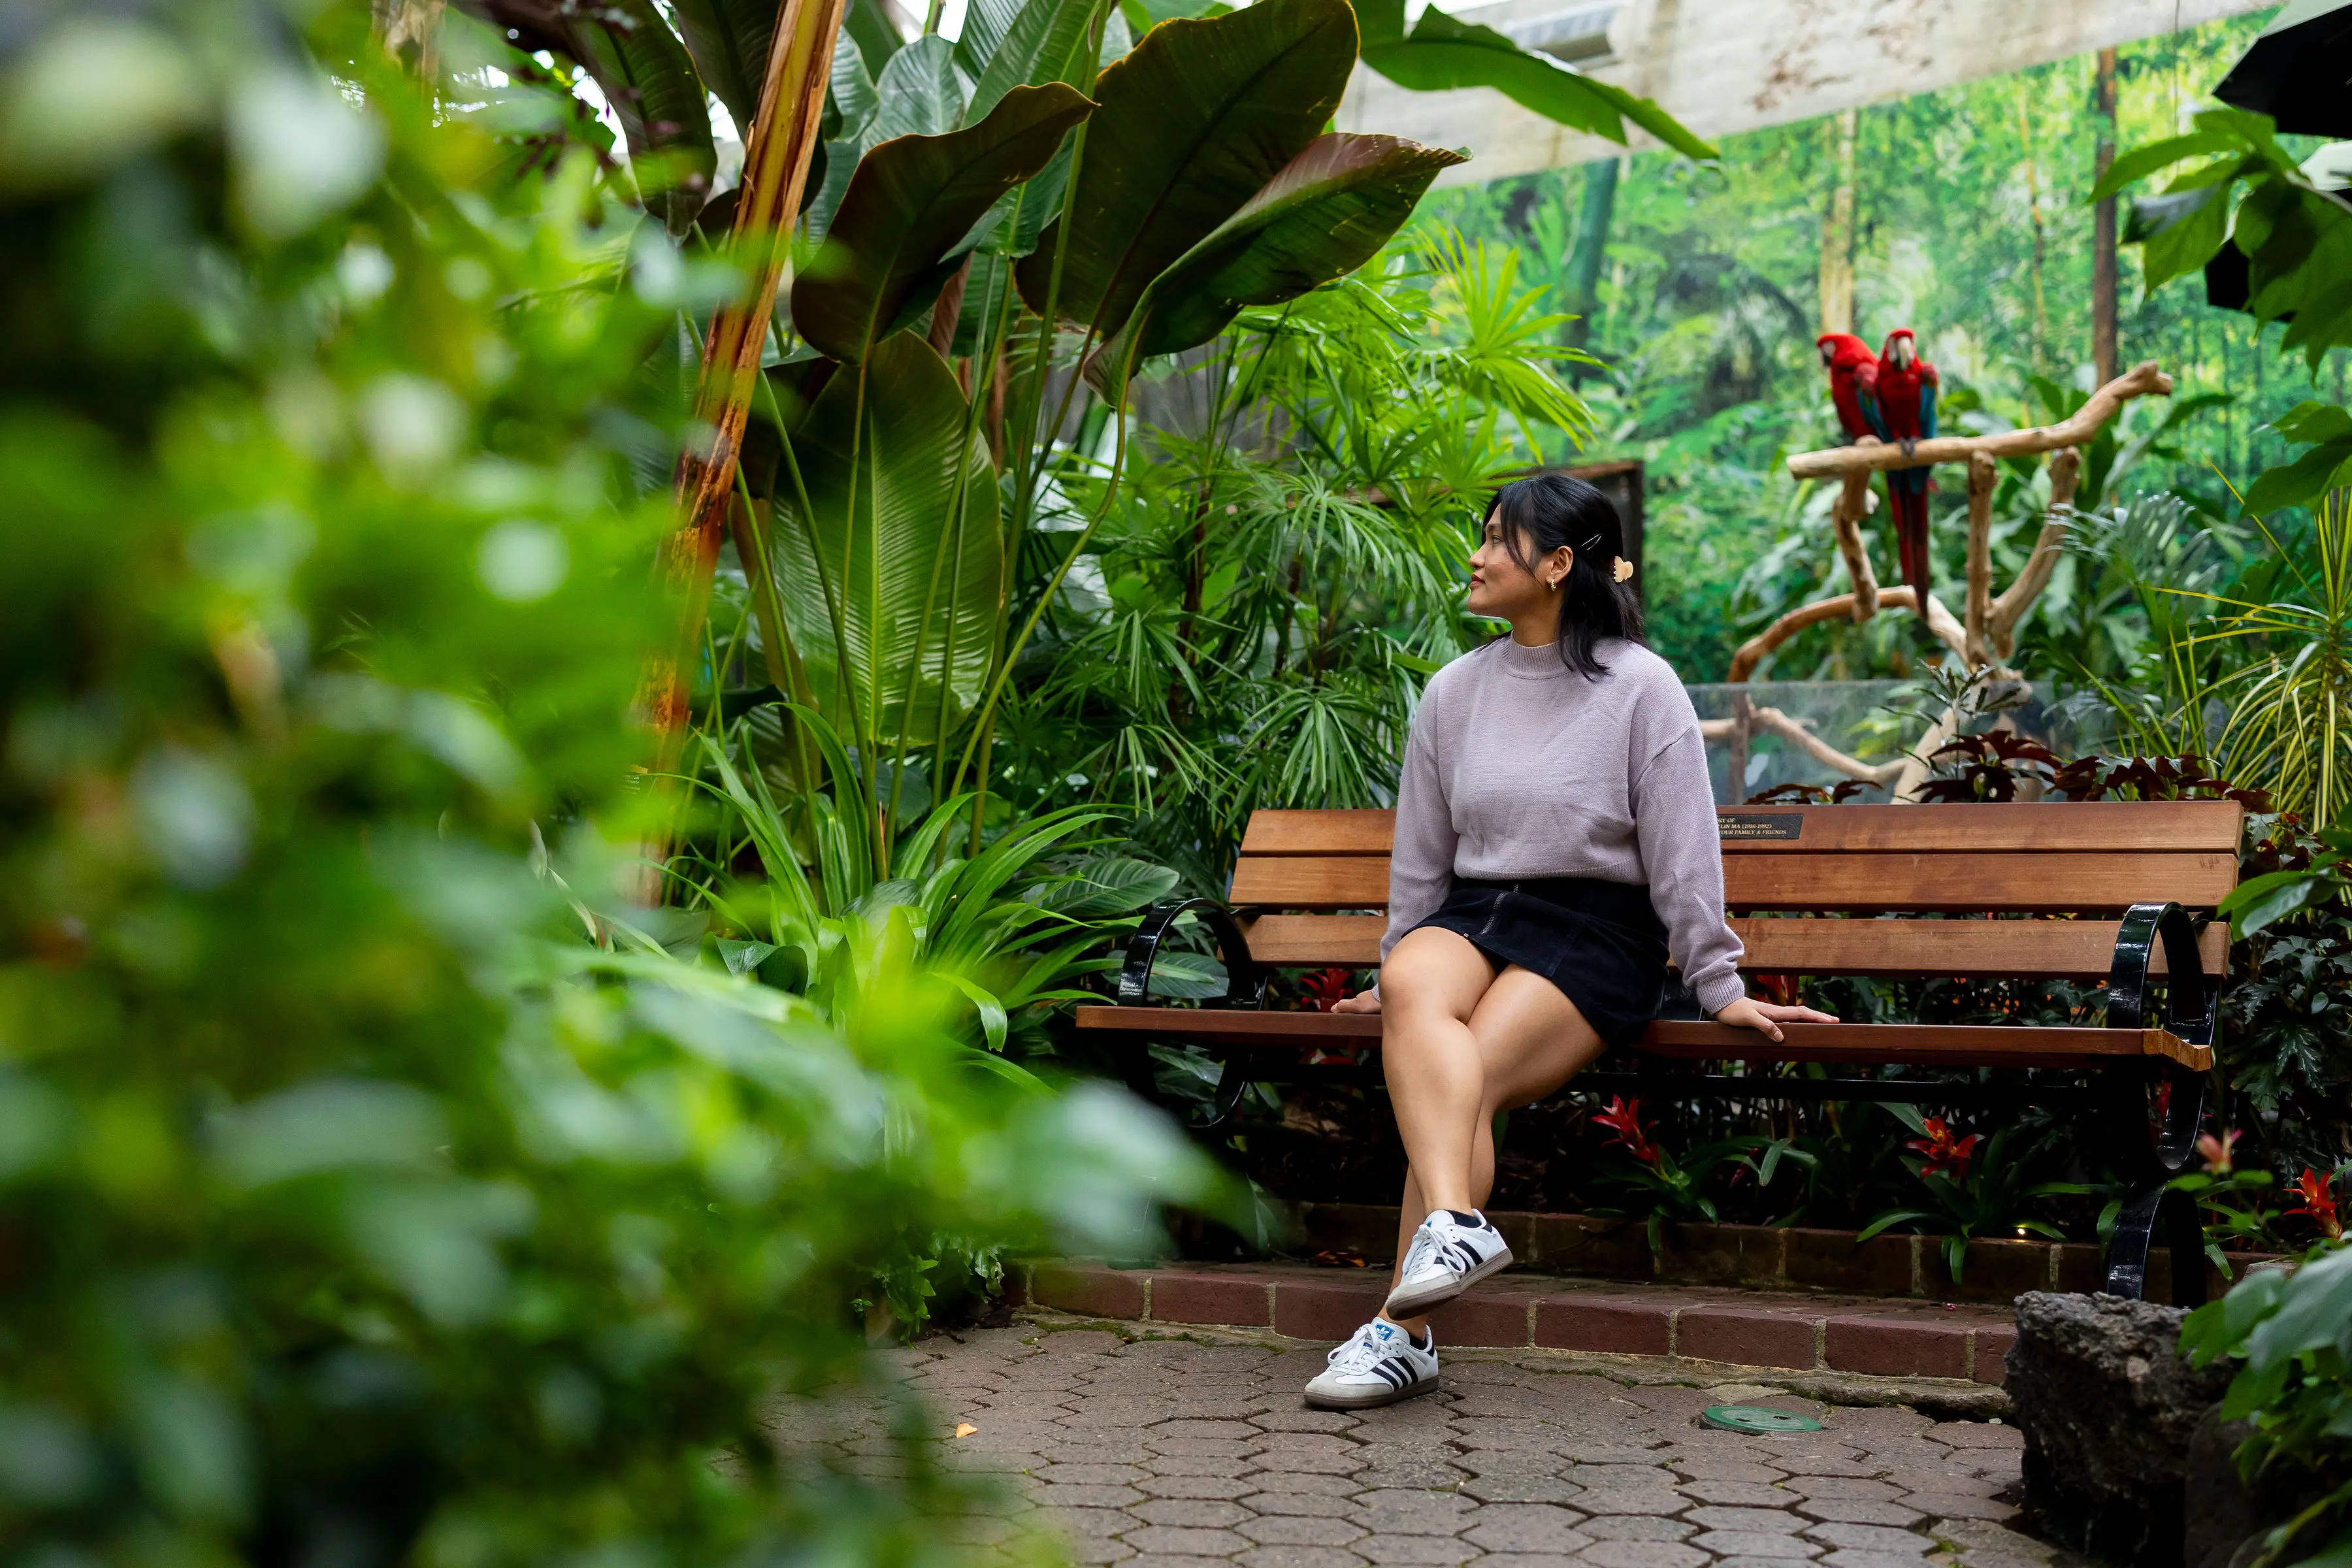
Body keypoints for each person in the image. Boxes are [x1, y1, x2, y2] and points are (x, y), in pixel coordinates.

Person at [1301, 473, 1835, 1411]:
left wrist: (1717, 981)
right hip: (1474, 914)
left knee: (1460, 1078)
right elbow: (1423, 856)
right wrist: (1390, 966)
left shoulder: (1642, 688)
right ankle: (1458, 1228)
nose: (1474, 555)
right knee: (1417, 981)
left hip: (1596, 926)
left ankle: (1402, 1335)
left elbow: (1683, 849)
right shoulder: (1454, 691)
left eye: (1497, 540)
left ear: (1556, 565)